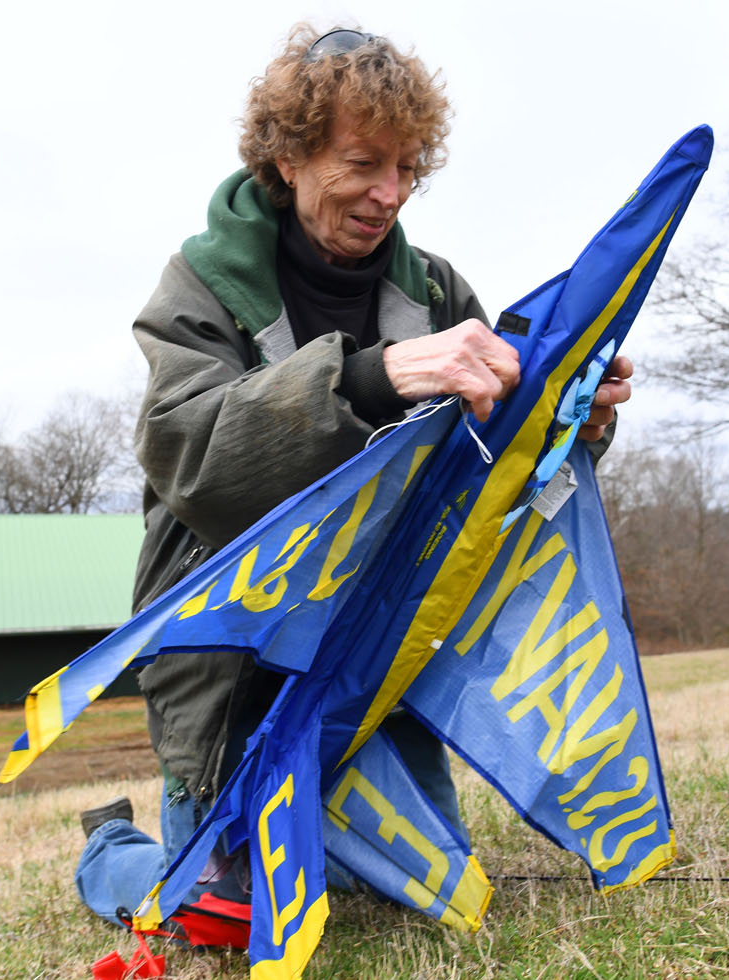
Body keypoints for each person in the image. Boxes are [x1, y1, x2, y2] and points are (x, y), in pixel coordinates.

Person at [75, 25, 632, 930]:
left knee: (419, 904)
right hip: (232, 655)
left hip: (374, 649)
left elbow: (496, 477)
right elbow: (187, 450)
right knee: (214, 917)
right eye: (364, 164)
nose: (390, 196)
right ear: (288, 157)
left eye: (409, 168)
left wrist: (577, 423)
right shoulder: (198, 285)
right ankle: (111, 849)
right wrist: (377, 375)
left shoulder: (440, 289)